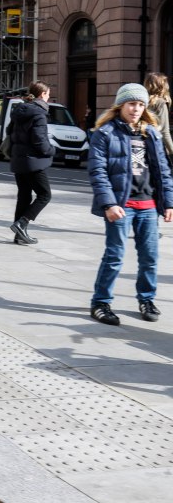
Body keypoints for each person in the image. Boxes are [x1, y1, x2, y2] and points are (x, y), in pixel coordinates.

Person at [88, 83, 173, 325]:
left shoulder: (151, 133)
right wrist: (109, 204)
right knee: (114, 255)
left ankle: (146, 299)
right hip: (121, 205)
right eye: (131, 104)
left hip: (147, 205)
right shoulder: (105, 133)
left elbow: (163, 171)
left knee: (150, 257)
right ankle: (100, 303)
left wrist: (169, 203)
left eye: (140, 104)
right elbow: (98, 172)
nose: (136, 109)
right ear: (121, 105)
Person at [8, 81, 55, 245]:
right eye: (48, 94)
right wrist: (52, 150)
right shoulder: (39, 114)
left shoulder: (19, 111)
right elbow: (39, 142)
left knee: (24, 196)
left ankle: (18, 235)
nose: (49, 97)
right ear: (42, 95)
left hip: (18, 159)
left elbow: (9, 132)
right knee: (45, 195)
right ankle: (22, 224)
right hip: (32, 162)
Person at [145, 72, 173, 163]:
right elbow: (165, 132)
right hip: (158, 149)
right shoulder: (160, 103)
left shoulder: (142, 102)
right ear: (161, 86)